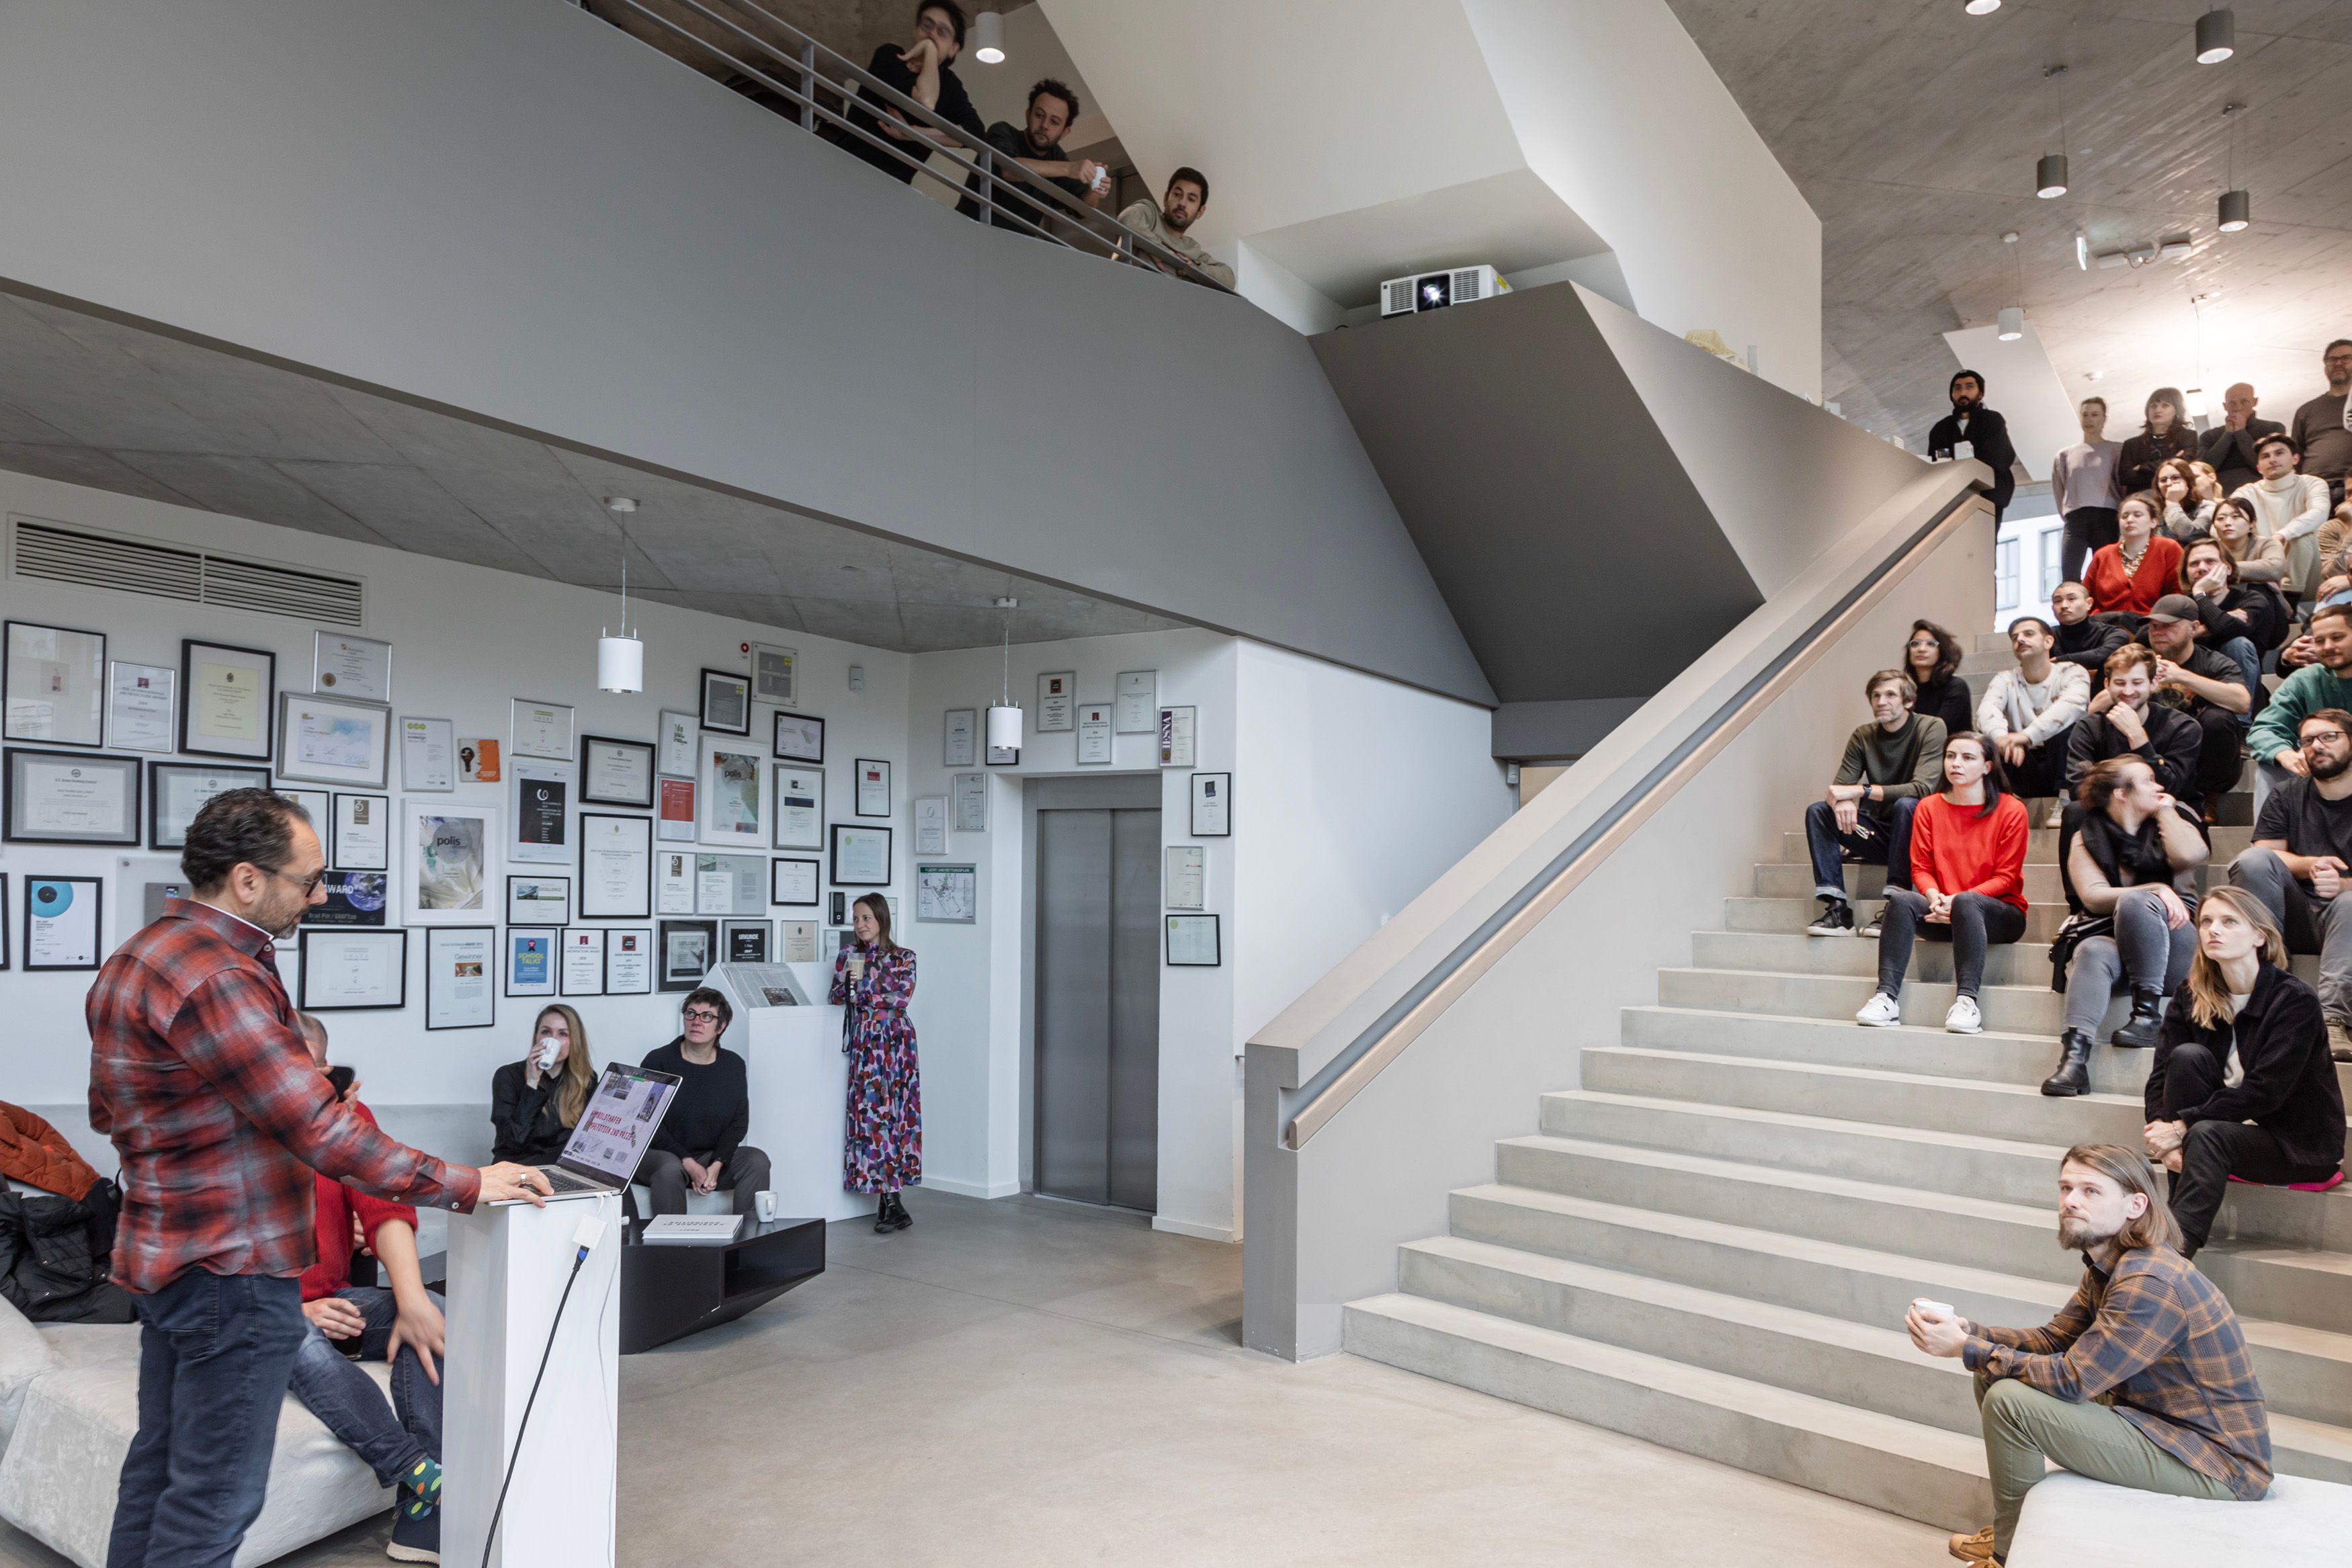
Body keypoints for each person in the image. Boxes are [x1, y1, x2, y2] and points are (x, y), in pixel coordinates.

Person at [87, 789, 548, 1568]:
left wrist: (241, 1119)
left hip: (164, 1264)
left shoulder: (140, 956)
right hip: (234, 1271)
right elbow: (321, 1131)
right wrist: (469, 1183)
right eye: (309, 881)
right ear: (246, 880)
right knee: (214, 1501)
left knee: (161, 1476)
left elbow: (111, 1113)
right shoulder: (219, 976)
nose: (321, 896)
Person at [1913, 1145, 2270, 1568]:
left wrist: (1969, 1349)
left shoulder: (2150, 1281)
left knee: (2011, 1403)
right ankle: (2019, 1531)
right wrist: (1971, 1333)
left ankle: (2010, 1555)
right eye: (2066, 1187)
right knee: (1992, 1375)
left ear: (2136, 1205)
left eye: (2090, 1191)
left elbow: (2074, 1380)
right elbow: (2054, 1339)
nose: (2070, 1201)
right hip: (2152, 1419)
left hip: (2214, 1462)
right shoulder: (2112, 1264)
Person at [287, 1016, 447, 1564]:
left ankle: (421, 1516)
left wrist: (413, 1300)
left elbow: (385, 1206)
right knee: (290, 1333)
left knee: (440, 1315)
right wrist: (300, 1310)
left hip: (335, 1300)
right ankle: (421, 1474)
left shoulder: (347, 1121)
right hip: (258, 1313)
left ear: (326, 1070)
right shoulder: (241, 1129)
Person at [2143, 887, 2347, 1255]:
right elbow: (2162, 1076)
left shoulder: (2294, 1000)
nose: (2212, 931)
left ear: (2259, 937)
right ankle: (2177, 1213)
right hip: (2224, 1129)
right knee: (2188, 1057)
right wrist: (2164, 1134)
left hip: (2295, 1145)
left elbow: (2265, 1091)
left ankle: (2170, 1257)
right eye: (2205, 921)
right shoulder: (2191, 994)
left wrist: (2182, 1127)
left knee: (2205, 1134)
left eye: (2228, 922)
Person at [2042, 758, 2208, 1096]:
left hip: (2177, 946)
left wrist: (2164, 812)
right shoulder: (2086, 836)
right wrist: (2156, 889)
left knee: (2133, 901)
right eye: (2148, 781)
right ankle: (2073, 1062)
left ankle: (2147, 1016)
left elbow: (2192, 855)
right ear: (2121, 793)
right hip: (2115, 938)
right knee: (2090, 948)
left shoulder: (2175, 821)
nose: (2159, 787)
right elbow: (2093, 896)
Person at [1853, 732, 2028, 1035]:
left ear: (1987, 767)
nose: (1956, 764)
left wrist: (1957, 900)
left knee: (1967, 902)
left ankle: (1967, 1002)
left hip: (2001, 915)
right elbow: (1920, 867)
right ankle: (1886, 998)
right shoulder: (1929, 807)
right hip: (1942, 910)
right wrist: (1935, 897)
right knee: (1902, 900)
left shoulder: (2011, 810)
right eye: (1950, 756)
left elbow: (2006, 877)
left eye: (1967, 758)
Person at [2231, 708, 2352, 1062]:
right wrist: (2312, 865)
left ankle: (2333, 1018)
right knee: (2252, 861)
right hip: (2296, 916)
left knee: (2349, 904)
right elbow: (2266, 854)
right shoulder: (2287, 794)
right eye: (2308, 740)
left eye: (2329, 736)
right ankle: (2265, 988)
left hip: (2346, 919)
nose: (2317, 746)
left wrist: (2343, 886)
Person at [1803, 670, 1945, 939]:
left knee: (1907, 804)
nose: (1881, 701)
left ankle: (1897, 905)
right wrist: (1843, 799)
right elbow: (1839, 788)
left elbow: (1922, 788)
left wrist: (1860, 791)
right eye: (1876, 696)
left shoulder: (1931, 727)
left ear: (1908, 701)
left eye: (1890, 695)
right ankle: (1837, 909)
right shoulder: (1864, 736)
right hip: (1880, 835)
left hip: (1922, 837)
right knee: (1819, 812)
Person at [831, 894, 922, 1231]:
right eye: (855, 919)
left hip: (897, 1040)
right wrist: (848, 988)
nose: (860, 925)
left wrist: (862, 993)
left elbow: (901, 997)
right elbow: (837, 995)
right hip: (866, 1040)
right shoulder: (849, 955)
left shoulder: (904, 957)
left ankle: (892, 1201)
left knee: (898, 1114)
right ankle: (891, 1201)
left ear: (881, 919)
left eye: (866, 918)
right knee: (871, 1116)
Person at [640, 989, 771, 1218]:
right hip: (660, 1154)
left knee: (756, 1160)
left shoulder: (733, 1065)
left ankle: (748, 1244)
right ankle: (672, 1249)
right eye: (691, 1014)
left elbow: (737, 1125)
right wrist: (689, 1163)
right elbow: (647, 1124)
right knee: (670, 1169)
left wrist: (717, 1164)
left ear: (721, 1026)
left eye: (706, 1016)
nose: (696, 1022)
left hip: (708, 1156)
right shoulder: (658, 1060)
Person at [833, 1, 986, 187]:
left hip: (894, 186)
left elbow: (975, 133)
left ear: (954, 48)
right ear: (916, 30)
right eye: (927, 25)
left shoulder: (950, 86)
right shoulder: (890, 56)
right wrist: (930, 49)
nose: (931, 34)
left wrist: (913, 133)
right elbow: (926, 100)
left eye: (942, 32)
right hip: (848, 165)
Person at [2138, 594, 2251, 816]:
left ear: (2193, 628)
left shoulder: (2213, 662)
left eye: (2168, 626)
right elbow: (2099, 706)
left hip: (2201, 755)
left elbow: (2242, 701)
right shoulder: (2140, 662)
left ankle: (2207, 798)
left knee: (2218, 720)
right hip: (2156, 747)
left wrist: (2183, 676)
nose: (2159, 632)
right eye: (2153, 626)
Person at [957, 77, 1105, 234]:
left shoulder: (1057, 157)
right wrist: (1069, 169)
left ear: (1065, 132)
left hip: (1017, 247)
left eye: (1054, 122)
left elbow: (1083, 208)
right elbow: (1009, 170)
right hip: (969, 230)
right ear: (1028, 115)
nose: (1044, 126)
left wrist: (1095, 190)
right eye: (1040, 115)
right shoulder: (1003, 131)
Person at [2065, 644, 2204, 804]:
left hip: (2168, 805)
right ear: (2107, 684)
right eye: (2120, 683)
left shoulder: (2183, 727)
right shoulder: (2089, 727)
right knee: (2075, 811)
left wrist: (2138, 738)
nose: (2128, 691)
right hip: (2109, 807)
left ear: (2153, 684)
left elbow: (2171, 787)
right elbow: (2078, 788)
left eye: (2137, 682)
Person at [1978, 615, 2089, 812]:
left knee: (2064, 729)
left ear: (2049, 641)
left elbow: (2072, 706)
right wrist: (2003, 739)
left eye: (2029, 634)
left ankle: (2064, 801)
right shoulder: (2005, 679)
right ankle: (2002, 806)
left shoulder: (2072, 671)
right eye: (2015, 637)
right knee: (1991, 737)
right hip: (2023, 763)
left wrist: (2026, 737)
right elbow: (1986, 711)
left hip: (2067, 767)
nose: (2020, 639)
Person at [2249, 603, 2352, 791]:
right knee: (2270, 767)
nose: (2328, 646)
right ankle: (2273, 822)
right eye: (2319, 641)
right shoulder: (2306, 679)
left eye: (2337, 638)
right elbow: (2264, 729)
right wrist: (2284, 753)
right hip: (2322, 768)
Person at [490, 1004, 597, 1166]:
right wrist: (532, 1082)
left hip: (563, 1166)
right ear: (537, 1037)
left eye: (563, 1034)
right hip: (519, 1165)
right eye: (546, 1032)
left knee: (614, 1182)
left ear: (574, 1040)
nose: (553, 1040)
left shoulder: (585, 1079)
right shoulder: (508, 1076)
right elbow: (512, 1143)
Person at [2234, 431, 2333, 598]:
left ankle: (2290, 600)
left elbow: (2319, 513)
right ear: (2258, 467)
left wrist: (2281, 536)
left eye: (2279, 453)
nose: (2272, 459)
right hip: (2264, 567)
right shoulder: (2248, 492)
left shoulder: (2312, 483)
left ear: (2295, 459)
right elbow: (2224, 517)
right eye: (2266, 456)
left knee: (2302, 537)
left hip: (2310, 569)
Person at [2181, 534, 2283, 687]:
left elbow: (2225, 629)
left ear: (2228, 569)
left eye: (2210, 561)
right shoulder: (2182, 605)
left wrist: (2200, 593)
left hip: (2241, 691)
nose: (2202, 568)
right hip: (2192, 687)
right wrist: (2204, 629)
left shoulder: (2252, 600)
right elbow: (2146, 635)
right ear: (2186, 573)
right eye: (2194, 564)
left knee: (2237, 644)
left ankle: (2238, 710)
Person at [1114, 166, 1234, 289]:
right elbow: (1127, 218)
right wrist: (1159, 251)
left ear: (1200, 212)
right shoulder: (1150, 215)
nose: (1182, 203)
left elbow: (1229, 278)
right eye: (1177, 194)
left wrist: (1195, 269)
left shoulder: (1192, 249)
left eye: (1191, 199)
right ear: (1166, 198)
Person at [1927, 369, 2016, 523]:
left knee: (1984, 544)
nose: (1963, 392)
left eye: (1969, 387)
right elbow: (1935, 463)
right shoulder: (1941, 428)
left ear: (1980, 393)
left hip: (1988, 495)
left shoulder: (1992, 420)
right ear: (1951, 395)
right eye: (1958, 388)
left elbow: (2000, 456)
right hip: (1951, 498)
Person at [2052, 396, 2124, 584]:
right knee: (2070, 575)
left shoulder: (2117, 450)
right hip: (2076, 519)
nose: (2089, 420)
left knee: (2107, 574)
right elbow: (2060, 489)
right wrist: (2068, 513)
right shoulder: (2065, 454)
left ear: (2104, 419)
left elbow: (2123, 486)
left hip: (2107, 516)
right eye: (2085, 415)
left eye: (2095, 415)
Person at [2083, 491, 2184, 619]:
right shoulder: (2103, 555)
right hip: (2106, 627)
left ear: (2154, 522)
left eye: (2138, 515)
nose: (2130, 520)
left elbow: (2178, 595)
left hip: (2153, 625)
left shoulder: (2168, 548)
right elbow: (2086, 598)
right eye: (2125, 516)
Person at [2289, 338, 2352, 510]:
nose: (2339, 363)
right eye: (2332, 360)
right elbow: (2296, 453)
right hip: (2316, 488)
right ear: (2325, 368)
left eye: (2346, 358)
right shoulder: (2306, 410)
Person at [2201, 382, 2285, 495]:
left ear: (2255, 402)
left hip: (2264, 493)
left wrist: (2240, 432)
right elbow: (2205, 469)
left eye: (2244, 401)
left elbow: (2267, 464)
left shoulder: (2273, 429)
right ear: (2225, 406)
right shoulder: (2210, 436)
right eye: (2232, 403)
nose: (2238, 407)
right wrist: (2228, 434)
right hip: (2223, 498)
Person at [2117, 387, 2199, 498]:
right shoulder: (2132, 444)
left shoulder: (2188, 437)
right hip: (2142, 501)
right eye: (2153, 406)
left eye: (2165, 405)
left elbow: (2185, 465)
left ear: (2177, 410)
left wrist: (2143, 467)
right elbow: (2125, 477)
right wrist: (2172, 463)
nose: (2158, 410)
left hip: (2178, 497)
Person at [2048, 579, 2130, 683]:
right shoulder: (2046, 636)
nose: (2064, 606)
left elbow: (2103, 655)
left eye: (2071, 599)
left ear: (2089, 603)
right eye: (2058, 601)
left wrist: (2056, 662)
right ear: (2052, 608)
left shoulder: (2113, 633)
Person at [1902, 619, 1973, 737]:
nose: (1922, 649)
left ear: (1942, 651)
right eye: (1916, 644)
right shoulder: (1906, 689)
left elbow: (1937, 732)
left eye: (1931, 644)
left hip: (1951, 752)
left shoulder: (1956, 686)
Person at [2208, 493, 2291, 592]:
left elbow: (2274, 569)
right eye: (2221, 518)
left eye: (2236, 517)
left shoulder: (2268, 544)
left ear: (2252, 523)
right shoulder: (2208, 549)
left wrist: (2223, 570)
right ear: (2214, 525)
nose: (2228, 523)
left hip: (2262, 602)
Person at [2154, 458, 2214, 543]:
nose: (2169, 483)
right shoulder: (2153, 513)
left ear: (2188, 481)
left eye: (2175, 478)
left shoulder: (2208, 507)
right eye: (2163, 480)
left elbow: (2191, 536)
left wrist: (2172, 503)